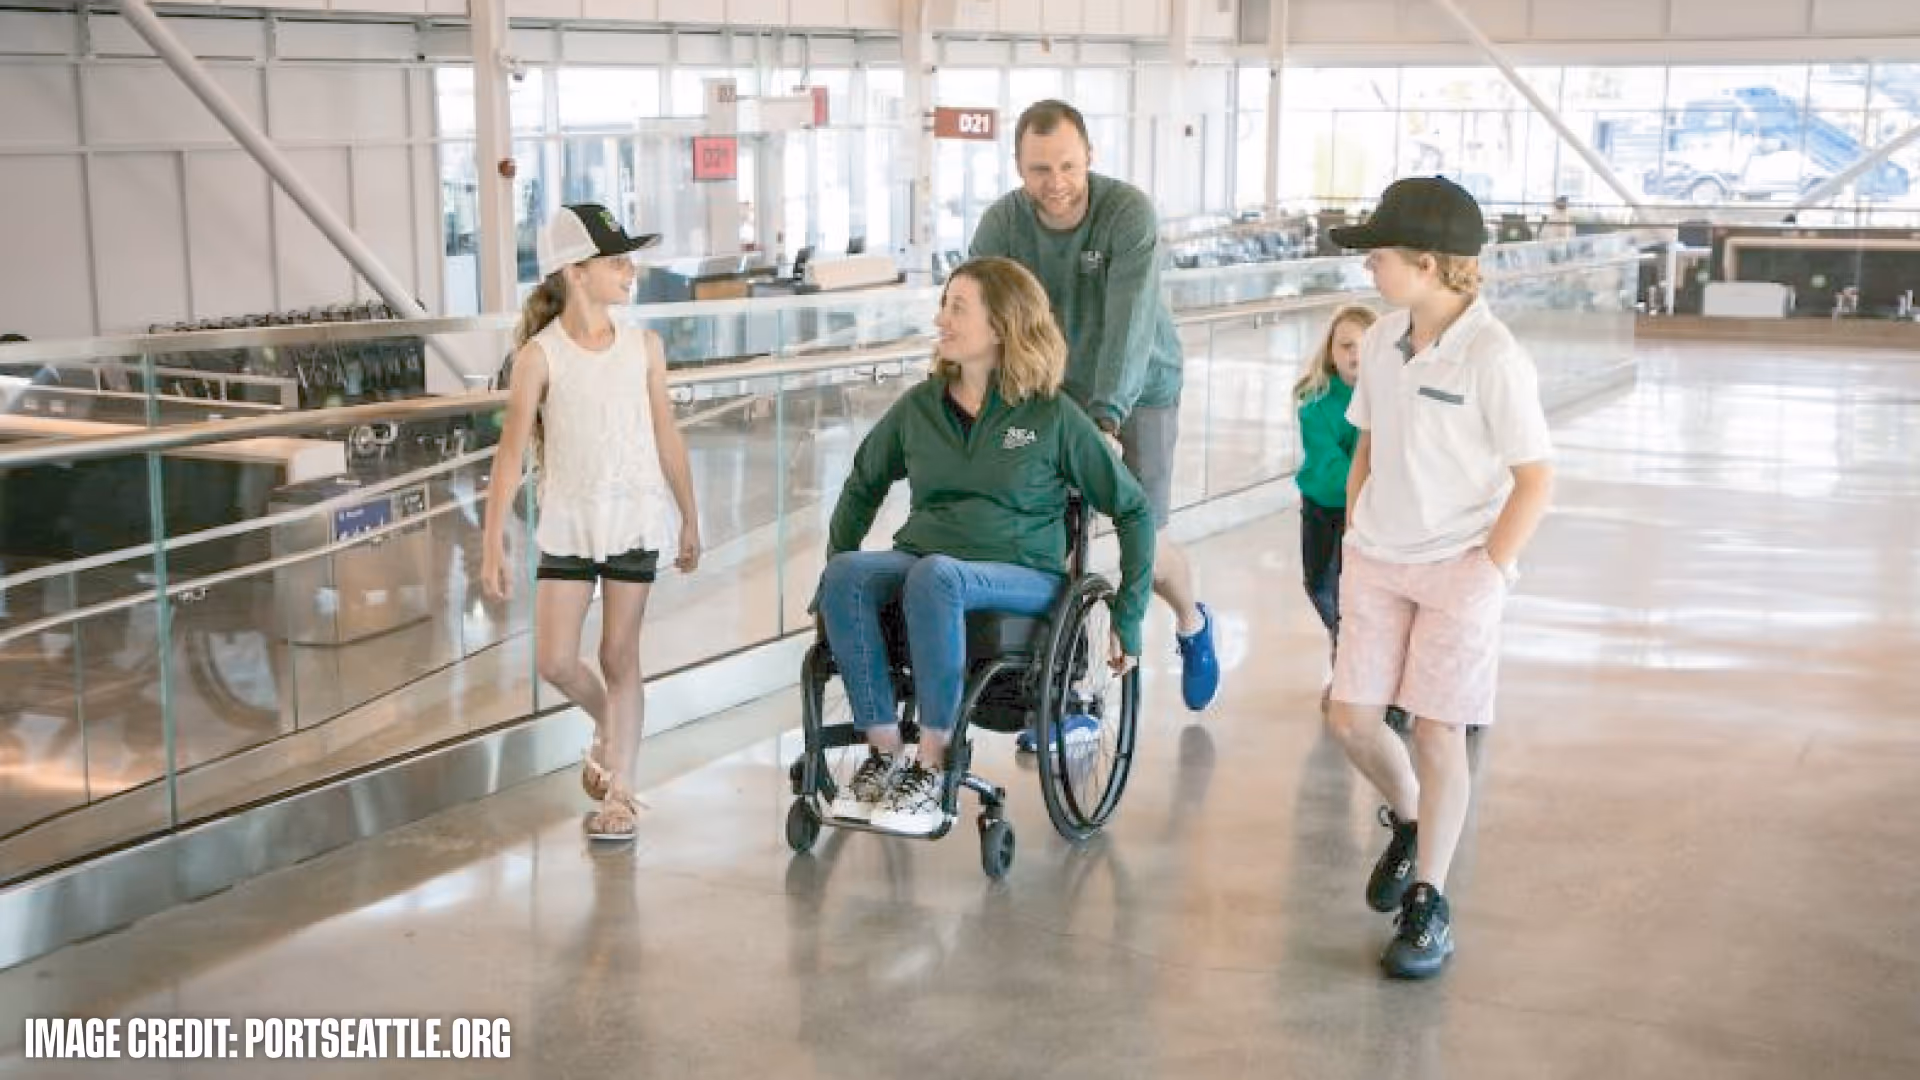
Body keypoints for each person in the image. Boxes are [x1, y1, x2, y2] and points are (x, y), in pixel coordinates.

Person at [815, 256, 1155, 835]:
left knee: (937, 576)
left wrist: (1130, 615)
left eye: (957, 307)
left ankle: (935, 761)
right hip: (928, 560)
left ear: (1002, 324)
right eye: (944, 304)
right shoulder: (920, 407)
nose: (941, 318)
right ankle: (883, 753)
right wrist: (828, 585)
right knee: (846, 575)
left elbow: (1133, 507)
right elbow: (862, 483)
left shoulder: (1052, 416)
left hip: (1023, 573)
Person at [1324, 177, 1555, 979]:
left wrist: (1488, 572)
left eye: (1380, 256)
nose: (1371, 269)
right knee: (1352, 718)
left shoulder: (1494, 356)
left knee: (1434, 731)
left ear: (1427, 263)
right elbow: (1365, 440)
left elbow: (1535, 477)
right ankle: (1413, 819)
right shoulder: (1386, 338)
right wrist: (1356, 525)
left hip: (1458, 567)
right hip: (1379, 560)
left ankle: (1429, 901)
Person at [968, 99, 1222, 736]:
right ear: (1018, 168)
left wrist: (1106, 419)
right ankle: (1071, 693)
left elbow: (1129, 323)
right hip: (1047, 390)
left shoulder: (1125, 213)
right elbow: (978, 310)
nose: (1054, 182)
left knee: (1147, 538)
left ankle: (1192, 620)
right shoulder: (1003, 223)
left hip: (1139, 388)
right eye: (1037, 169)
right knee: (1053, 538)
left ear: (1090, 158)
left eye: (1067, 165)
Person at [480, 203, 701, 843]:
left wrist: (689, 514)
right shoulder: (538, 358)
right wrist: (491, 540)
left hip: (634, 517)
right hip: (570, 522)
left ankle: (622, 792)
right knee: (555, 660)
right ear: (576, 272)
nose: (630, 271)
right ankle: (611, 721)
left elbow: (666, 436)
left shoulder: (644, 348)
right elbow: (510, 453)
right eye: (616, 261)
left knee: (617, 652)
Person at [1294, 304, 1376, 705]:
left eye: (1364, 345)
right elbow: (1329, 466)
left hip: (1372, 513)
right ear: (1330, 352)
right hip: (1325, 508)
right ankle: (1341, 643)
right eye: (1345, 345)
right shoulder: (1315, 401)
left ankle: (1353, 671)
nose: (1354, 354)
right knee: (1320, 585)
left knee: (1361, 594)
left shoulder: (1389, 396)